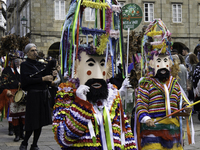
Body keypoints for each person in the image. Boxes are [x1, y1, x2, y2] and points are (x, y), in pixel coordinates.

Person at [135, 19, 192, 150]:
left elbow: (181, 101)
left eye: (165, 61)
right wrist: (145, 118)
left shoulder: (174, 83)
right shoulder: (146, 84)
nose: (162, 65)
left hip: (173, 131)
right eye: (158, 61)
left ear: (170, 64)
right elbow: (141, 105)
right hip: (153, 130)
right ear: (151, 64)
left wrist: (186, 107)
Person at [19, 43, 57, 150]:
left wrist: (51, 69)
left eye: (35, 50)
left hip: (43, 95)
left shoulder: (40, 64)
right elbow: (26, 82)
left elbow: (47, 81)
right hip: (33, 96)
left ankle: (34, 144)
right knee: (32, 121)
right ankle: (25, 142)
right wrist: (42, 79)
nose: (35, 52)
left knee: (40, 122)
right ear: (27, 53)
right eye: (32, 50)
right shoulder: (25, 65)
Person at [0, 57, 25, 142]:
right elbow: (3, 83)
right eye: (16, 61)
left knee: (23, 115)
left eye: (19, 61)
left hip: (22, 94)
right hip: (12, 94)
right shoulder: (6, 70)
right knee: (15, 115)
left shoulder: (23, 69)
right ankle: (16, 134)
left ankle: (22, 134)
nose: (18, 62)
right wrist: (6, 91)